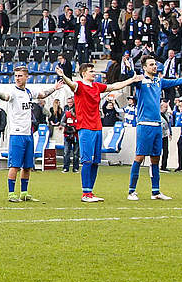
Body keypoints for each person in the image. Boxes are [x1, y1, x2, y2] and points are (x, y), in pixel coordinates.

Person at [53, 61, 134, 202]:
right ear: (84, 73)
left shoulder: (97, 86)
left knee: (96, 161)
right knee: (87, 161)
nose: (94, 73)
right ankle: (85, 194)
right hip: (85, 128)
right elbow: (72, 85)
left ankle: (90, 192)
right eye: (91, 71)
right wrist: (63, 76)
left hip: (97, 127)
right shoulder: (79, 86)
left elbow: (114, 86)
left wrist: (131, 80)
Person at [126, 57, 182, 201]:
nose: (154, 67)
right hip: (144, 125)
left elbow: (175, 82)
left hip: (157, 125)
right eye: (151, 65)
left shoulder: (159, 81)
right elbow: (130, 76)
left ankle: (155, 191)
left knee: (156, 158)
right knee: (139, 157)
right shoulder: (140, 81)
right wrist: (129, 68)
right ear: (144, 67)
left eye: (155, 64)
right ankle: (132, 191)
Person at [0, 65, 60, 203]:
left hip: (28, 133)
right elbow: (5, 97)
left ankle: (24, 193)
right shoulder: (13, 92)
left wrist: (54, 88)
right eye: (16, 75)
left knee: (27, 166)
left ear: (26, 77)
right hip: (17, 134)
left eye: (20, 75)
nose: (18, 78)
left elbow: (42, 94)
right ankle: (11, 193)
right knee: (15, 165)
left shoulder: (29, 92)